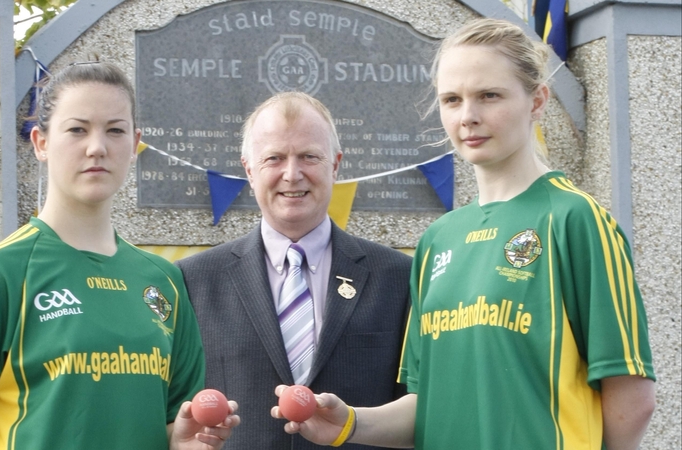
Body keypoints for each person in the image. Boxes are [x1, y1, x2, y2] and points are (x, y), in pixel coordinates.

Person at [271, 18, 656, 450]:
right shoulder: (438, 238)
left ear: (538, 101)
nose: (468, 116)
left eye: (489, 96)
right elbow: (427, 404)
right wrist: (349, 422)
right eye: (452, 100)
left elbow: (631, 397)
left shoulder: (574, 219)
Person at [0, 61, 239, 450]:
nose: (97, 147)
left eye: (115, 130)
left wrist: (181, 439)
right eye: (77, 129)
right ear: (41, 143)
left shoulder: (163, 281)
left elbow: (168, 423)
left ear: (135, 144)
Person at [176, 91, 412, 449]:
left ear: (335, 164)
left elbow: (417, 410)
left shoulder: (399, 278)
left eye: (308, 157)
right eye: (274, 158)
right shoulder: (192, 281)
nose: (292, 173)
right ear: (249, 169)